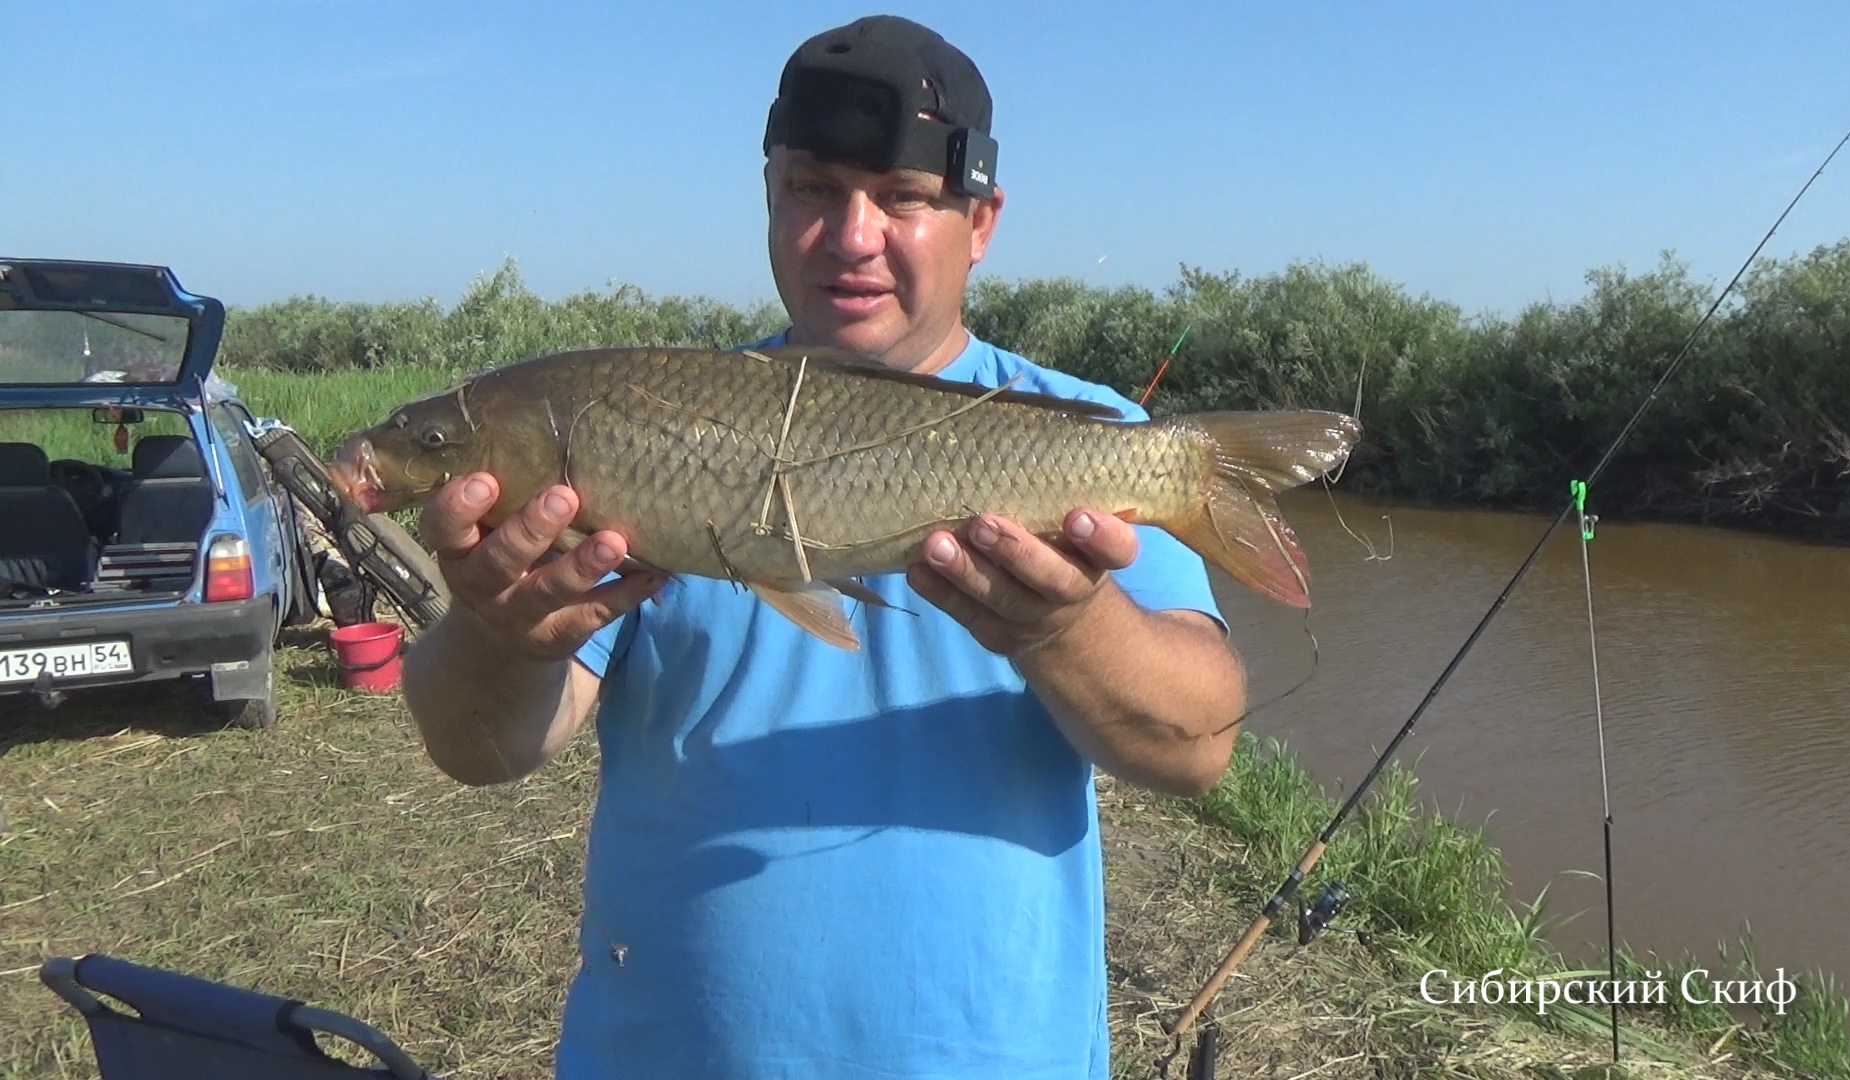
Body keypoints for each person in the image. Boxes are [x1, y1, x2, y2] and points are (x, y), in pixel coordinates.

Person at [401, 15, 1250, 1078]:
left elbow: (1198, 747)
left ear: (981, 221)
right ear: (770, 195)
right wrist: (497, 633)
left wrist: (1068, 629)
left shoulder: (1098, 438)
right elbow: (476, 752)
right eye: (814, 188)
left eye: (903, 197)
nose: (852, 235)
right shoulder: (636, 431)